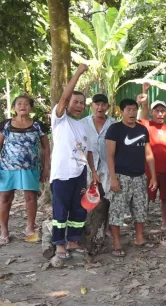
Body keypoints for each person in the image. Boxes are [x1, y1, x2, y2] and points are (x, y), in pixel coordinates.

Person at [50, 64, 98, 260]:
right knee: (60, 210)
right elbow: (62, 97)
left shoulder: (84, 126)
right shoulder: (59, 119)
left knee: (79, 209)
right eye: (75, 102)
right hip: (62, 174)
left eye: (81, 103)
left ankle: (73, 241)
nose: (79, 106)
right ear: (68, 103)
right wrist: (78, 73)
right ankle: (59, 243)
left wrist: (93, 172)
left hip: (80, 174)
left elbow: (88, 152)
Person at [106, 98, 157, 257]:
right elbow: (109, 155)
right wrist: (113, 178)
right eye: (128, 110)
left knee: (141, 209)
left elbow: (149, 155)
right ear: (121, 112)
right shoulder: (114, 129)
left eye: (135, 110)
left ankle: (139, 238)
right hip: (121, 177)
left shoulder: (142, 130)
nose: (132, 113)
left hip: (140, 177)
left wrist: (153, 177)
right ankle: (116, 243)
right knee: (117, 211)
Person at [0, 95, 51, 245]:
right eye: (19, 103)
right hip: (7, 167)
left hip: (31, 167)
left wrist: (46, 167)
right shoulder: (5, 125)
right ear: (14, 107)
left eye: (27, 104)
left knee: (31, 197)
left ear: (31, 108)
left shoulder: (37, 126)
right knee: (5, 198)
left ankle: (30, 229)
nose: (23, 106)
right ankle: (4, 230)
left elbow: (46, 148)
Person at [138, 82, 166, 231]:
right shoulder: (146, 125)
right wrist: (144, 92)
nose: (160, 114)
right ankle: (143, 222)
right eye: (157, 111)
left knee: (165, 198)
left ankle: (164, 223)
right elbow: (143, 110)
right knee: (146, 197)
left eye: (163, 111)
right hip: (149, 170)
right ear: (152, 113)